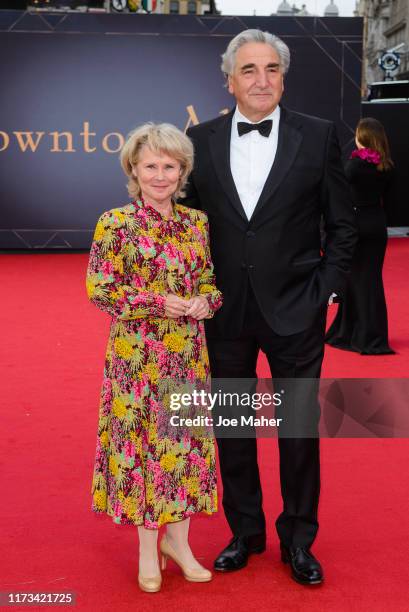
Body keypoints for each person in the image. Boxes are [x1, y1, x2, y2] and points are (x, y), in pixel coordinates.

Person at [183, 29, 357, 585]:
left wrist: (324, 292)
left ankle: (298, 540)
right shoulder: (200, 138)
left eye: (272, 69)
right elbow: (184, 229)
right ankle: (245, 532)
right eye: (250, 70)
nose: (262, 80)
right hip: (223, 313)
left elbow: (343, 226)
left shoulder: (321, 135)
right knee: (233, 430)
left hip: (296, 310)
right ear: (229, 79)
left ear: (283, 77)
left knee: (298, 432)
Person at [86, 123, 222, 593]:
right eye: (151, 166)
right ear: (134, 170)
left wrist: (208, 301)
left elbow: (207, 279)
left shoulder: (196, 223)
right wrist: (156, 302)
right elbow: (100, 290)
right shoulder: (115, 223)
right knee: (144, 448)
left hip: (186, 355)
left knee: (182, 446)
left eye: (169, 166)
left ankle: (179, 544)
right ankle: (148, 548)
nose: (160, 176)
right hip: (136, 358)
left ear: (182, 170)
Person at [326, 117, 395, 354]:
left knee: (355, 279)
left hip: (356, 226)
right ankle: (369, 332)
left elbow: (340, 197)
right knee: (372, 279)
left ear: (361, 137)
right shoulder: (386, 166)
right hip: (377, 225)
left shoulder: (353, 165)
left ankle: (354, 333)